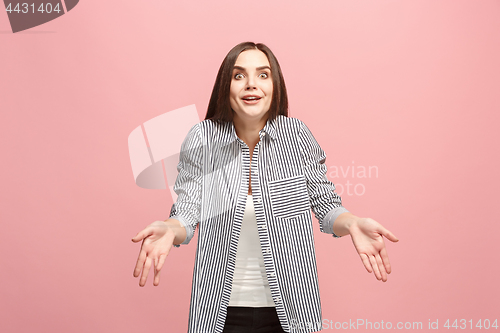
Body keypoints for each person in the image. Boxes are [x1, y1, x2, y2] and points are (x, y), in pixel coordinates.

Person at [131, 42, 399, 333]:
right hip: (220, 314)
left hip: (293, 311)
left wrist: (353, 223)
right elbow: (187, 211)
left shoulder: (296, 136)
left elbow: (326, 206)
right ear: (226, 86)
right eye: (239, 75)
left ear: (275, 85)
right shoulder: (202, 138)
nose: (251, 85)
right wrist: (171, 229)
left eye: (262, 75)